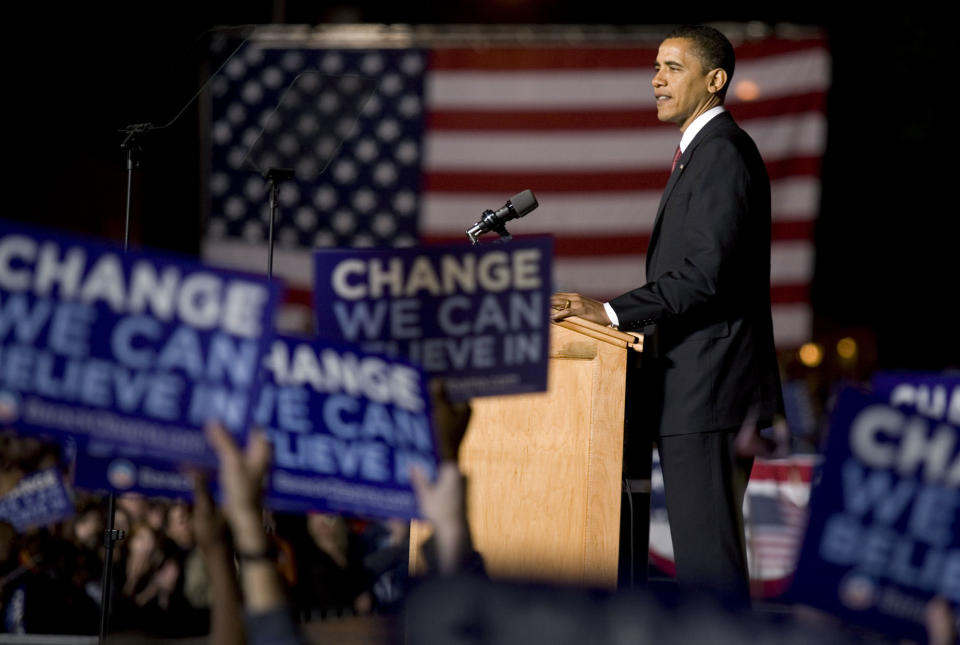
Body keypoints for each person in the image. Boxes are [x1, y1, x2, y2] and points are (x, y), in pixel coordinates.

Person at [551, 24, 782, 601]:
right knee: (705, 565)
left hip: (710, 390)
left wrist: (610, 312)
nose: (656, 78)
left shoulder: (722, 153)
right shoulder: (699, 154)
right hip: (694, 390)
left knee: (710, 567)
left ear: (715, 79)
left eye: (672, 67)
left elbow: (706, 276)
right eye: (655, 67)